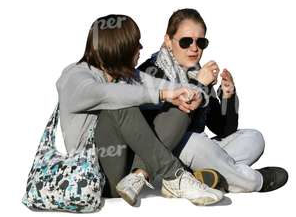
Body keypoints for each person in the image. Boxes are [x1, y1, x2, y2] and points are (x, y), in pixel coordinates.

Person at [56, 14, 224, 206]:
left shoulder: (127, 75)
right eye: (136, 43)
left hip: (127, 172)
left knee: (179, 110)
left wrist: (191, 93)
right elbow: (107, 94)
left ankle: (139, 175)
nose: (141, 48)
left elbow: (164, 86)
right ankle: (174, 175)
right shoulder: (76, 76)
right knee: (120, 105)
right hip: (95, 177)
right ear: (119, 46)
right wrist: (164, 94)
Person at [137, 8, 288, 193]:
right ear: (168, 40)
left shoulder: (198, 71)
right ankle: (254, 181)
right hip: (165, 153)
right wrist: (198, 84)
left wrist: (227, 96)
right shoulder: (149, 71)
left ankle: (203, 177)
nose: (194, 48)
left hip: (199, 152)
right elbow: (167, 127)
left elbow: (224, 129)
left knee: (254, 137)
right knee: (194, 142)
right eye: (185, 41)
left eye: (200, 42)